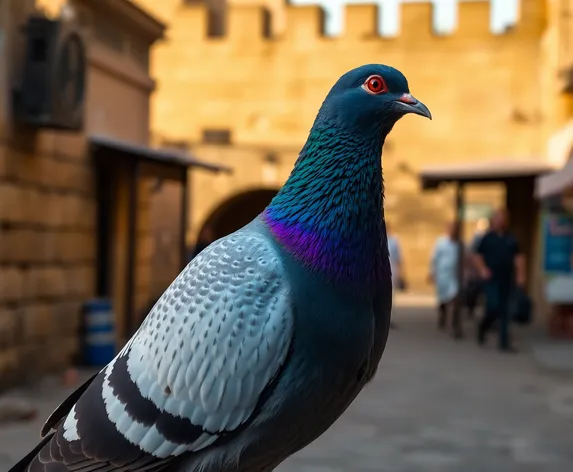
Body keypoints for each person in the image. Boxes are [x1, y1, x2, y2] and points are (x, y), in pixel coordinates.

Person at [473, 208, 526, 352]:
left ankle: (504, 342)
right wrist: (483, 269)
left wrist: (521, 276)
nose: (500, 221)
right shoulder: (487, 238)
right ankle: (484, 326)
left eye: (503, 218)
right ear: (493, 220)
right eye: (498, 218)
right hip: (491, 278)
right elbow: (477, 256)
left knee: (505, 310)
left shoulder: (511, 239)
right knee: (493, 306)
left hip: (507, 278)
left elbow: (519, 258)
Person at [429, 221, 463, 338]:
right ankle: (443, 317)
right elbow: (434, 258)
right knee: (444, 299)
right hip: (442, 275)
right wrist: (432, 272)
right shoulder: (441, 243)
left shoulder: (460, 244)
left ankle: (454, 325)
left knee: (455, 299)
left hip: (455, 276)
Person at [464, 217, 490, 318]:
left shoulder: (488, 238)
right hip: (476, 272)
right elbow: (473, 255)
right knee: (474, 290)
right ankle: (471, 308)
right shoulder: (476, 239)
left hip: (485, 271)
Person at [387, 223, 403, 329]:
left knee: (391, 293)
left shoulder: (394, 240)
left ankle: (389, 317)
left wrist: (401, 273)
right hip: (380, 270)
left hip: (392, 269)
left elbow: (398, 258)